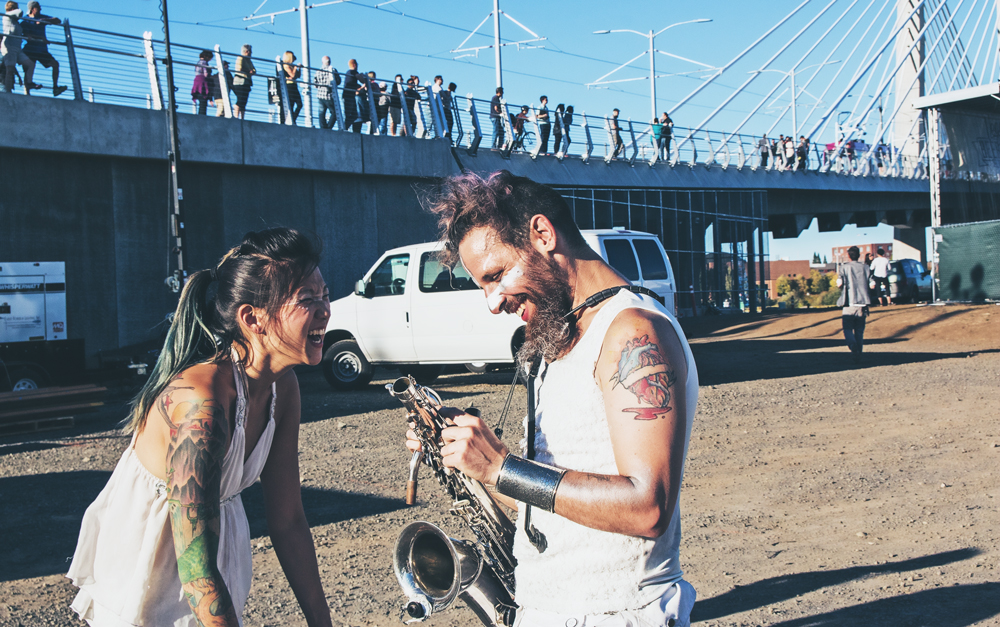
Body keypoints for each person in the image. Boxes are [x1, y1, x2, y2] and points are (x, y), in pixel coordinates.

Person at [410, 170, 699, 627]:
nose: (491, 302)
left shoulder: (633, 333)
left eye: (497, 275)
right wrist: (467, 457)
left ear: (542, 234)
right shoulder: (560, 336)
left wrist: (502, 467)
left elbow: (648, 507)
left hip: (617, 614)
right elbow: (552, 499)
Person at [68, 228, 335, 627]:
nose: (325, 310)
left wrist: (322, 622)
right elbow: (196, 572)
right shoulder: (202, 403)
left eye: (325, 295)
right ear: (252, 318)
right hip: (151, 567)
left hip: (211, 561)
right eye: (306, 300)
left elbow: (288, 519)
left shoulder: (284, 386)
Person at [21, 1, 64, 96]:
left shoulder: (41, 17)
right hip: (29, 49)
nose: (40, 9)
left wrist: (43, 21)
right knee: (28, 69)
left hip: (41, 50)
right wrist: (41, 38)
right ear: (32, 9)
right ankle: (27, 92)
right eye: (38, 7)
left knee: (55, 64)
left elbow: (57, 20)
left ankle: (55, 88)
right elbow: (26, 34)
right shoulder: (25, 19)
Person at [836, 245, 871, 363]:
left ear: (849, 256)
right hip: (863, 302)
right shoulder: (866, 267)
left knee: (847, 328)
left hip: (849, 302)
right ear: (859, 255)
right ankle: (859, 353)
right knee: (859, 330)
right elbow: (872, 284)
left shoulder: (844, 268)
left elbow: (839, 283)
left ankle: (852, 345)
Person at [2, 2, 37, 94]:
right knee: (10, 69)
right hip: (9, 47)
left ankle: (28, 84)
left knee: (30, 64)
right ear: (12, 8)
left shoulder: (15, 22)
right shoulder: (7, 16)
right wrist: (19, 11)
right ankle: (8, 92)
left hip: (17, 48)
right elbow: (20, 12)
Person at [314, 55, 339, 130]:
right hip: (329, 95)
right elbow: (338, 81)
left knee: (322, 113)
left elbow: (315, 84)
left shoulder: (318, 71)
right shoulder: (333, 70)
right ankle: (329, 127)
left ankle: (323, 128)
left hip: (320, 95)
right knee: (334, 112)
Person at [231, 44, 255, 120]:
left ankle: (242, 118)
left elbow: (254, 70)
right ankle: (236, 116)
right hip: (240, 82)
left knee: (244, 101)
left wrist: (251, 71)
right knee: (240, 99)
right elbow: (239, 68)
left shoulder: (249, 61)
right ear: (247, 51)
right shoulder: (240, 58)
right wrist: (248, 71)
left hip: (247, 82)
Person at [281, 51, 302, 124]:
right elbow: (293, 75)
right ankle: (291, 120)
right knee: (291, 104)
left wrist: (299, 69)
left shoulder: (292, 66)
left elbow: (297, 76)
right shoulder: (286, 65)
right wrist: (295, 68)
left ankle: (293, 119)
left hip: (294, 85)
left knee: (300, 104)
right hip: (289, 86)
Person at [191, 50, 213, 115]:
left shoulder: (197, 63)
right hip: (202, 81)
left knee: (200, 98)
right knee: (203, 100)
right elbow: (205, 73)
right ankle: (202, 115)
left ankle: (199, 114)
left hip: (197, 81)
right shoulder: (204, 63)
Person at [342, 59, 362, 132]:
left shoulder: (348, 73)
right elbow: (361, 79)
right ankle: (344, 128)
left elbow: (352, 83)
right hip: (349, 96)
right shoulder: (353, 72)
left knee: (352, 114)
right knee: (351, 113)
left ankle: (345, 128)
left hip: (347, 95)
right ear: (354, 65)